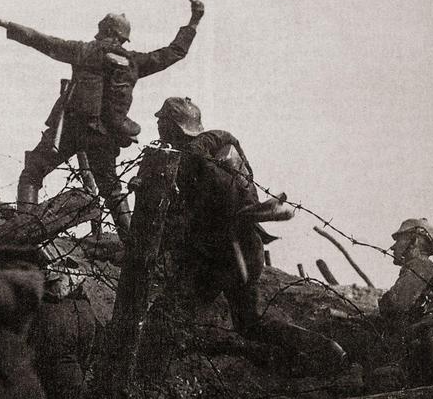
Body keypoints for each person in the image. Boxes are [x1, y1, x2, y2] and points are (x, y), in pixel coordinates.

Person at [138, 96, 347, 379]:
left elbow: (196, 215)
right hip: (246, 252)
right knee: (249, 323)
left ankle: (146, 382)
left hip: (218, 258)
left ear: (174, 126)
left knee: (166, 316)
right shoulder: (223, 150)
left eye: (162, 120)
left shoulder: (194, 160)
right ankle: (324, 350)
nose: (158, 125)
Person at [0, 0, 204, 240]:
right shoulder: (134, 63)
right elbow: (174, 52)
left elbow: (40, 40)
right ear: (122, 38)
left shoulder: (83, 51)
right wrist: (193, 21)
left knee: (32, 173)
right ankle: (130, 245)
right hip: (105, 137)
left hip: (70, 130)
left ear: (103, 30)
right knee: (112, 191)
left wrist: (4, 24)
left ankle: (23, 235)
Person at [378, 218, 433, 385]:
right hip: (432, 331)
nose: (393, 246)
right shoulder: (420, 267)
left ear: (415, 240)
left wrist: (384, 301)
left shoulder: (420, 265)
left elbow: (397, 303)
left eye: (399, 239)